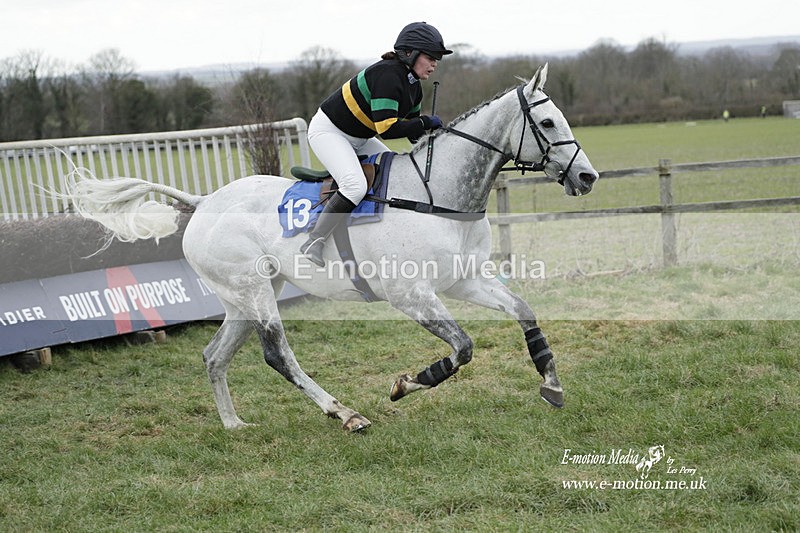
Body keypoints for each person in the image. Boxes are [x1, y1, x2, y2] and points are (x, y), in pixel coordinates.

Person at [299, 21, 453, 267]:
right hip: (330, 132)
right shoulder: (388, 76)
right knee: (354, 185)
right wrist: (425, 122)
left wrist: (438, 138)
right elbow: (389, 129)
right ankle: (315, 240)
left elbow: (413, 133)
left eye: (437, 58)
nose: (435, 63)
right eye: (431, 57)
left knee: (395, 169)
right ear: (410, 53)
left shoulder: (414, 87)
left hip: (360, 137)